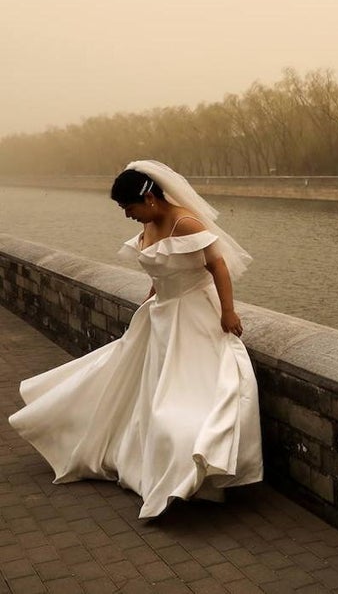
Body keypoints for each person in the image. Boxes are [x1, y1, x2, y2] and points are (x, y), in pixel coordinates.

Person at [8, 160, 263, 519]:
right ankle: (151, 462)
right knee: (142, 389)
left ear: (150, 198)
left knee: (190, 392)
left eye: (128, 207)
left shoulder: (185, 222)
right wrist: (151, 297)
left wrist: (228, 312)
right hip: (160, 316)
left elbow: (216, 266)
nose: (126, 215)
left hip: (192, 317)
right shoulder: (150, 224)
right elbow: (163, 268)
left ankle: (190, 472)